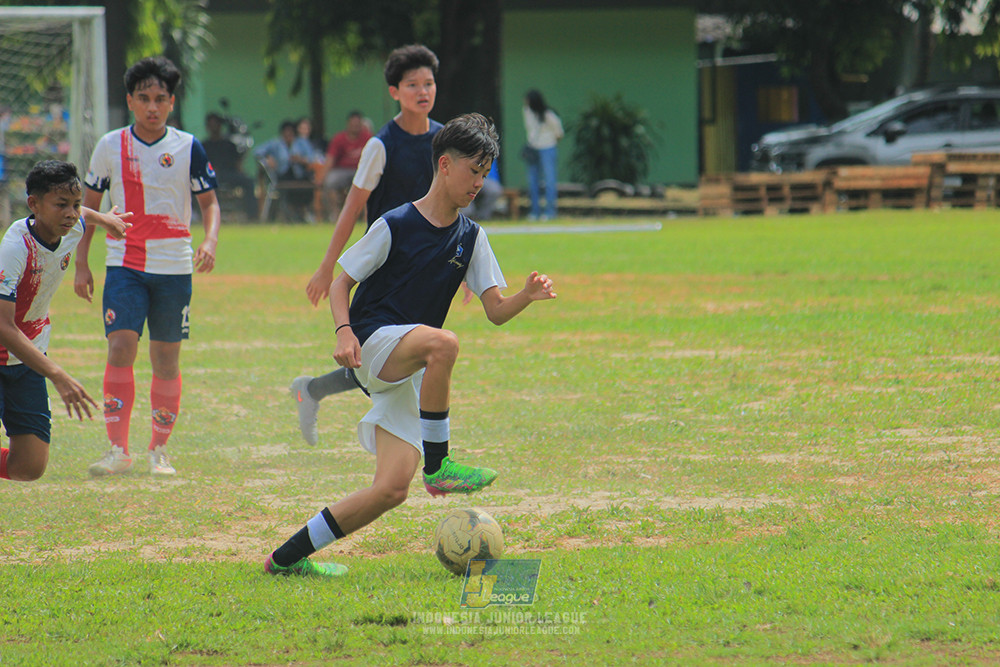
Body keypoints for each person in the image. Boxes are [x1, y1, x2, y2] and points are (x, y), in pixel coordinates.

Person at [265, 113, 556, 577]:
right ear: (444, 165)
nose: (478, 182)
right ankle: (440, 467)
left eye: (485, 173)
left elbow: (496, 310)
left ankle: (284, 559)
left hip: (407, 363)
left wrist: (527, 294)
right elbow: (341, 285)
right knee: (444, 343)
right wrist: (343, 333)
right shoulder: (395, 223)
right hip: (373, 341)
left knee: (391, 490)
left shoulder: (473, 237)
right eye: (472, 170)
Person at [74, 56, 222, 477]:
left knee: (166, 359)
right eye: (144, 98)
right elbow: (88, 207)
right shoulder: (110, 146)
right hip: (124, 264)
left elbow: (209, 202)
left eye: (160, 99)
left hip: (174, 267)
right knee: (121, 346)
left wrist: (209, 240)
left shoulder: (188, 146)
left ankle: (159, 451)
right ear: (131, 101)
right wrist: (82, 264)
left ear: (171, 102)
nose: (152, 107)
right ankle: (117, 450)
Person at [290, 44, 443, 447]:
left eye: (428, 83)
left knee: (403, 356)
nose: (422, 91)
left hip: (425, 267)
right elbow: (352, 209)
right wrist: (328, 267)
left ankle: (313, 391)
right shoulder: (381, 145)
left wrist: (458, 267)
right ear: (395, 91)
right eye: (412, 84)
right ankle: (417, 444)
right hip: (385, 265)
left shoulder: (443, 141)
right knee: (395, 357)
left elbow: (451, 207)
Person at [0, 160, 131, 482]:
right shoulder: (15, 248)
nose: (71, 213)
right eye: (61, 205)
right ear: (33, 204)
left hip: (25, 358)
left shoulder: (72, 226)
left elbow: (86, 214)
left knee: (29, 466)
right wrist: (58, 375)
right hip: (14, 346)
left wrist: (108, 220)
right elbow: (2, 327)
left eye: (74, 203)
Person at [254, 120, 314, 221]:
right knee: (286, 188)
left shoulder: (301, 143)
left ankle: (303, 214)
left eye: (291, 133)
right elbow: (257, 152)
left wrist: (301, 160)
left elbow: (312, 158)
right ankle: (289, 214)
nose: (288, 135)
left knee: (306, 187)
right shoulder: (276, 144)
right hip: (282, 175)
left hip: (299, 175)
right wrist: (268, 157)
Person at [202, 111, 257, 220]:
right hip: (212, 176)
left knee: (249, 182)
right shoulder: (204, 146)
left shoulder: (229, 144)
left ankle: (252, 216)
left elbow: (237, 163)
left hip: (230, 174)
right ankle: (211, 215)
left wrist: (241, 171)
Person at [321, 110, 373, 221]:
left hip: (361, 170)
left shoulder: (368, 138)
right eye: (353, 124)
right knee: (330, 181)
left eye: (357, 124)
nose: (355, 127)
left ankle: (366, 217)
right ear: (348, 124)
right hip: (342, 170)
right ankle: (335, 215)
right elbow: (330, 158)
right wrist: (322, 177)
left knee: (370, 183)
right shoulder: (339, 138)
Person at [522, 89, 564, 221]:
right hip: (533, 149)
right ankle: (535, 211)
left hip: (548, 148)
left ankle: (550, 212)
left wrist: (549, 142)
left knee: (549, 181)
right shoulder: (527, 112)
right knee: (532, 181)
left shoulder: (548, 115)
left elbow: (559, 133)